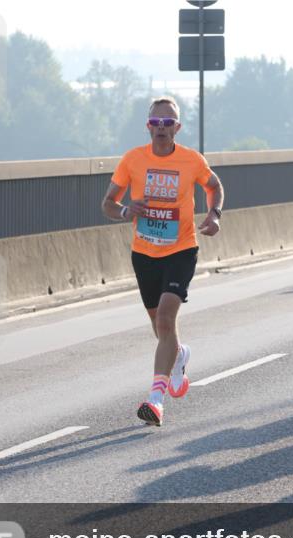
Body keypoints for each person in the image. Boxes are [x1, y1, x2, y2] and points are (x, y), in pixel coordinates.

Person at [101, 96, 224, 426]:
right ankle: (179, 354)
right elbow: (108, 203)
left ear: (177, 128)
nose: (161, 128)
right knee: (160, 327)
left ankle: (156, 400)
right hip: (144, 253)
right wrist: (126, 210)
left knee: (167, 319)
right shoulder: (132, 160)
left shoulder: (191, 160)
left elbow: (214, 186)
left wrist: (214, 214)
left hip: (181, 249)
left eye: (167, 123)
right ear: (148, 126)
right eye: (155, 123)